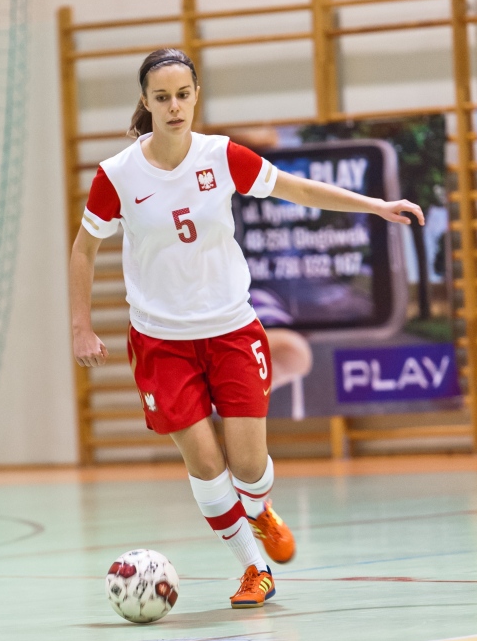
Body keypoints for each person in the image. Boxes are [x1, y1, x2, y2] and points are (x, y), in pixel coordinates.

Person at [70, 49, 424, 609]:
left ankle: (259, 510)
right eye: (161, 97)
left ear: (195, 96)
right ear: (145, 102)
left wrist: (376, 206)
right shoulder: (117, 175)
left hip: (231, 329)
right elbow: (85, 248)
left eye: (182, 95)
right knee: (206, 465)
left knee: (249, 466)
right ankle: (253, 569)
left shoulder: (221, 157)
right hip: (161, 340)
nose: (173, 106)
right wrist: (81, 327)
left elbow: (298, 189)